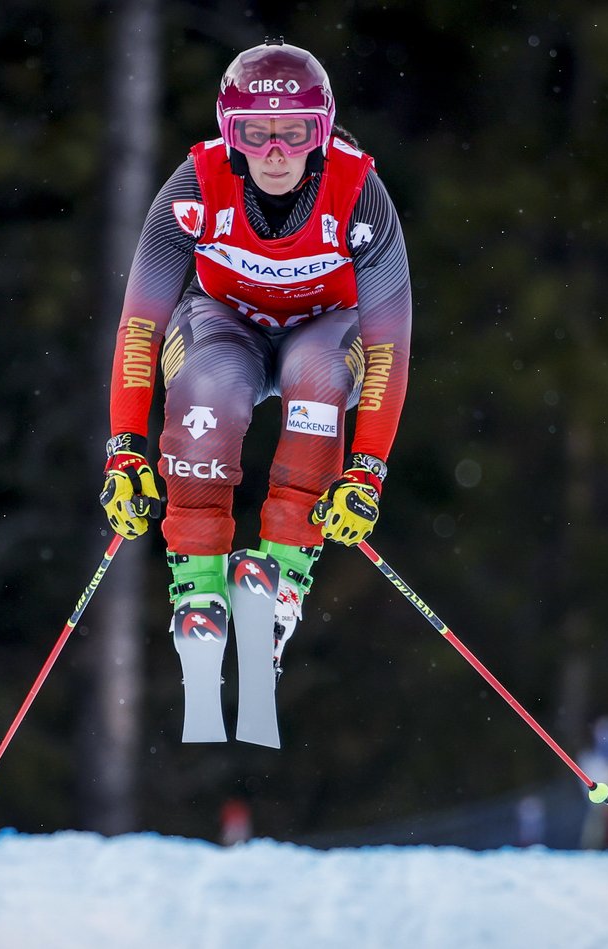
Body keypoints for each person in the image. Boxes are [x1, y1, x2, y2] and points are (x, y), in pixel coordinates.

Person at [99, 38, 413, 686]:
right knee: (207, 388)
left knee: (320, 375)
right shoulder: (194, 188)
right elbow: (138, 327)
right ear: (230, 134)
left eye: (294, 133)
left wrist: (367, 473)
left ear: (320, 134)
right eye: (255, 132)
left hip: (325, 332)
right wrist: (125, 450)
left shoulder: (360, 197)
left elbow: (387, 349)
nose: (275, 152)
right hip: (224, 327)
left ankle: (284, 574)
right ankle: (198, 583)